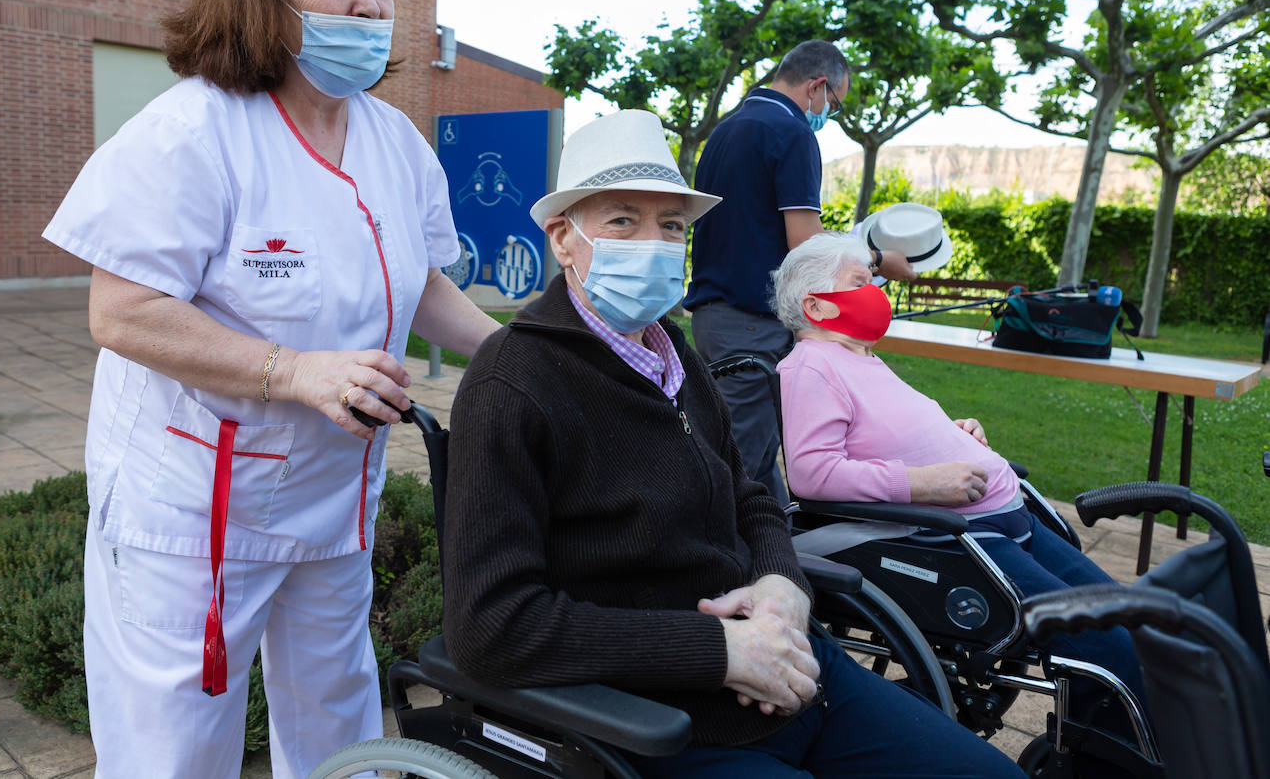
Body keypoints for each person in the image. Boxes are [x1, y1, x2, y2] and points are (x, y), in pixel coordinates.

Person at [42, 0, 498, 779]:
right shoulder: (191, 130)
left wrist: (529, 351)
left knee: (341, 730)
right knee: (175, 749)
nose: (366, 5)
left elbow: (424, 283)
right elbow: (122, 312)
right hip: (197, 510)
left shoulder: (395, 141)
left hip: (335, 500)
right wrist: (295, 372)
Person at [442, 109, 1023, 778]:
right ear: (562, 240)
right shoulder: (511, 382)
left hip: (790, 666)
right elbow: (492, 625)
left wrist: (782, 585)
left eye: (671, 226)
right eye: (623, 221)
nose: (654, 244)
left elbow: (750, 493)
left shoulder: (674, 357)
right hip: (658, 718)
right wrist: (717, 651)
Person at [772, 231, 1146, 741]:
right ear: (816, 304)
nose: (875, 291)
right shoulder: (810, 365)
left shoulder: (859, 358)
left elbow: (886, 431)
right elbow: (812, 473)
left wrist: (956, 436)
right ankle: (1110, 758)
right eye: (860, 281)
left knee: (1123, 615)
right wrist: (924, 480)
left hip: (999, 519)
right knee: (1105, 644)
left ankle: (1113, 737)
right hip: (956, 536)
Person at [684, 40, 916, 507]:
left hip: (713, 318)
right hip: (752, 322)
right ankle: (716, 570)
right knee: (739, 468)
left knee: (758, 455)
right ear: (817, 86)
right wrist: (873, 260)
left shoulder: (726, 131)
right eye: (834, 102)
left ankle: (784, 552)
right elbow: (806, 246)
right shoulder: (791, 133)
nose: (829, 113)